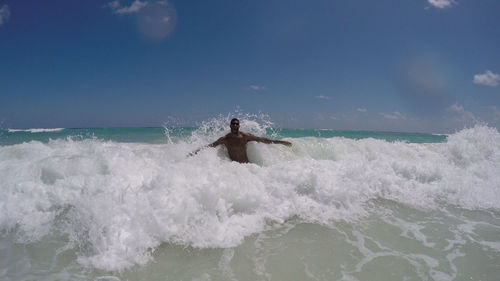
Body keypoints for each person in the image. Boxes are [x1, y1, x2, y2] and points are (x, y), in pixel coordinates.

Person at [190, 118, 292, 163]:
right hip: (234, 169)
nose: (235, 125)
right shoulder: (225, 139)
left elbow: (264, 140)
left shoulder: (245, 137)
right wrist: (195, 152)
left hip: (247, 167)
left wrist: (281, 142)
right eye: (233, 124)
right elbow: (210, 146)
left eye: (236, 124)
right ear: (230, 125)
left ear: (239, 126)